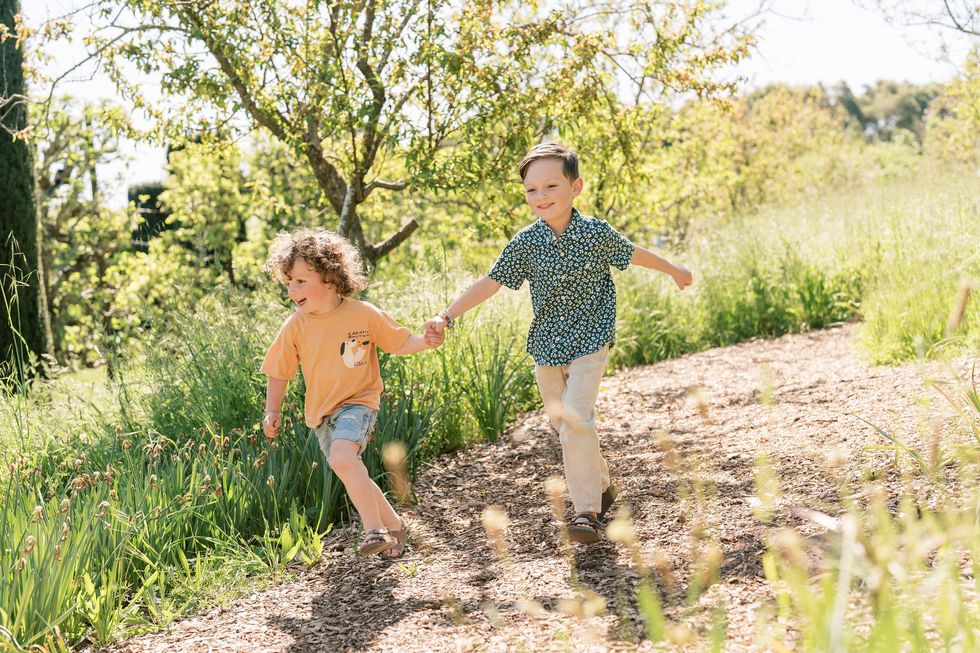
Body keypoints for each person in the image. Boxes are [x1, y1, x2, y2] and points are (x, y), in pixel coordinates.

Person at [425, 142, 692, 544]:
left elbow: (633, 253)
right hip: (547, 346)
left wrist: (674, 269)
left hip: (590, 341)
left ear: (576, 187)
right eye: (532, 190)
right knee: (566, 426)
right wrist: (446, 316)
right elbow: (491, 281)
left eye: (551, 186)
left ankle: (586, 513)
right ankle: (602, 486)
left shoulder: (594, 233)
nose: (541, 196)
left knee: (574, 421)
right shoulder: (527, 243)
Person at [260, 227, 443, 558]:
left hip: (359, 403)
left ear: (330, 277)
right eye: (288, 282)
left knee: (345, 459)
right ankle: (396, 528)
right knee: (349, 468)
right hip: (321, 414)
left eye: (300, 281)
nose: (291, 289)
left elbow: (399, 341)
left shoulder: (362, 314)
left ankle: (374, 529)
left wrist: (425, 340)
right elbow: (278, 370)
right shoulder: (296, 325)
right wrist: (272, 411)